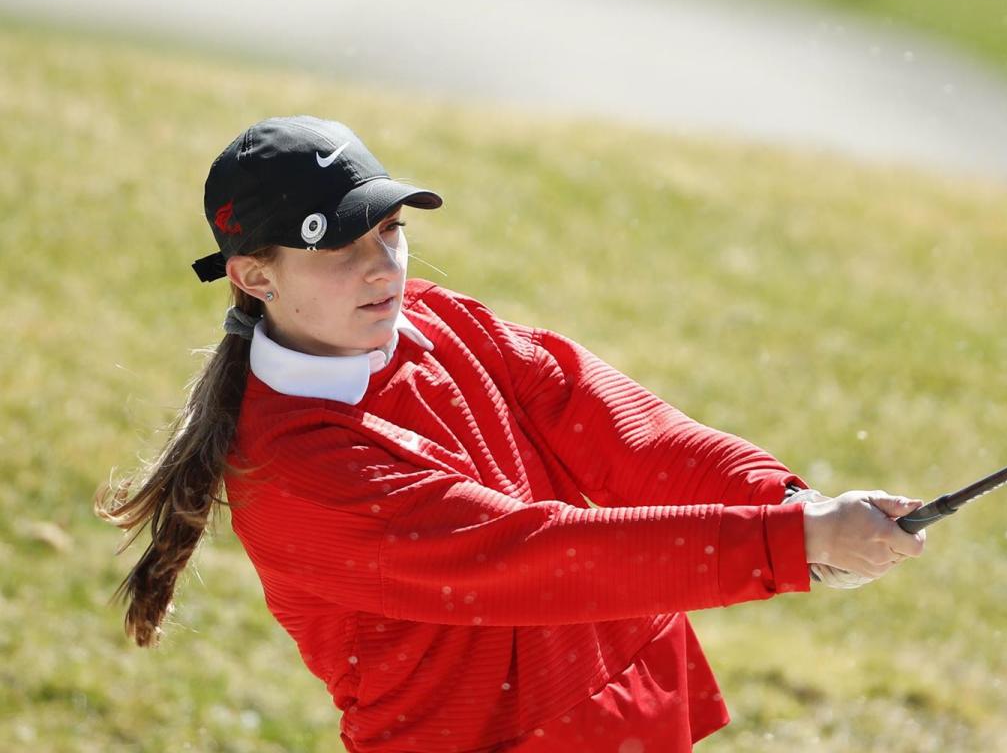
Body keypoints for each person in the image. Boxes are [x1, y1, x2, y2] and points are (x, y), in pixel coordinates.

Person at [97, 115, 927, 752]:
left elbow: (613, 424)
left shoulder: (434, 319)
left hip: (613, 696)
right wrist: (786, 541)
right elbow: (532, 555)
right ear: (253, 275)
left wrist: (784, 501)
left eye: (389, 229)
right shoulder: (298, 471)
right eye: (339, 248)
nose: (383, 266)